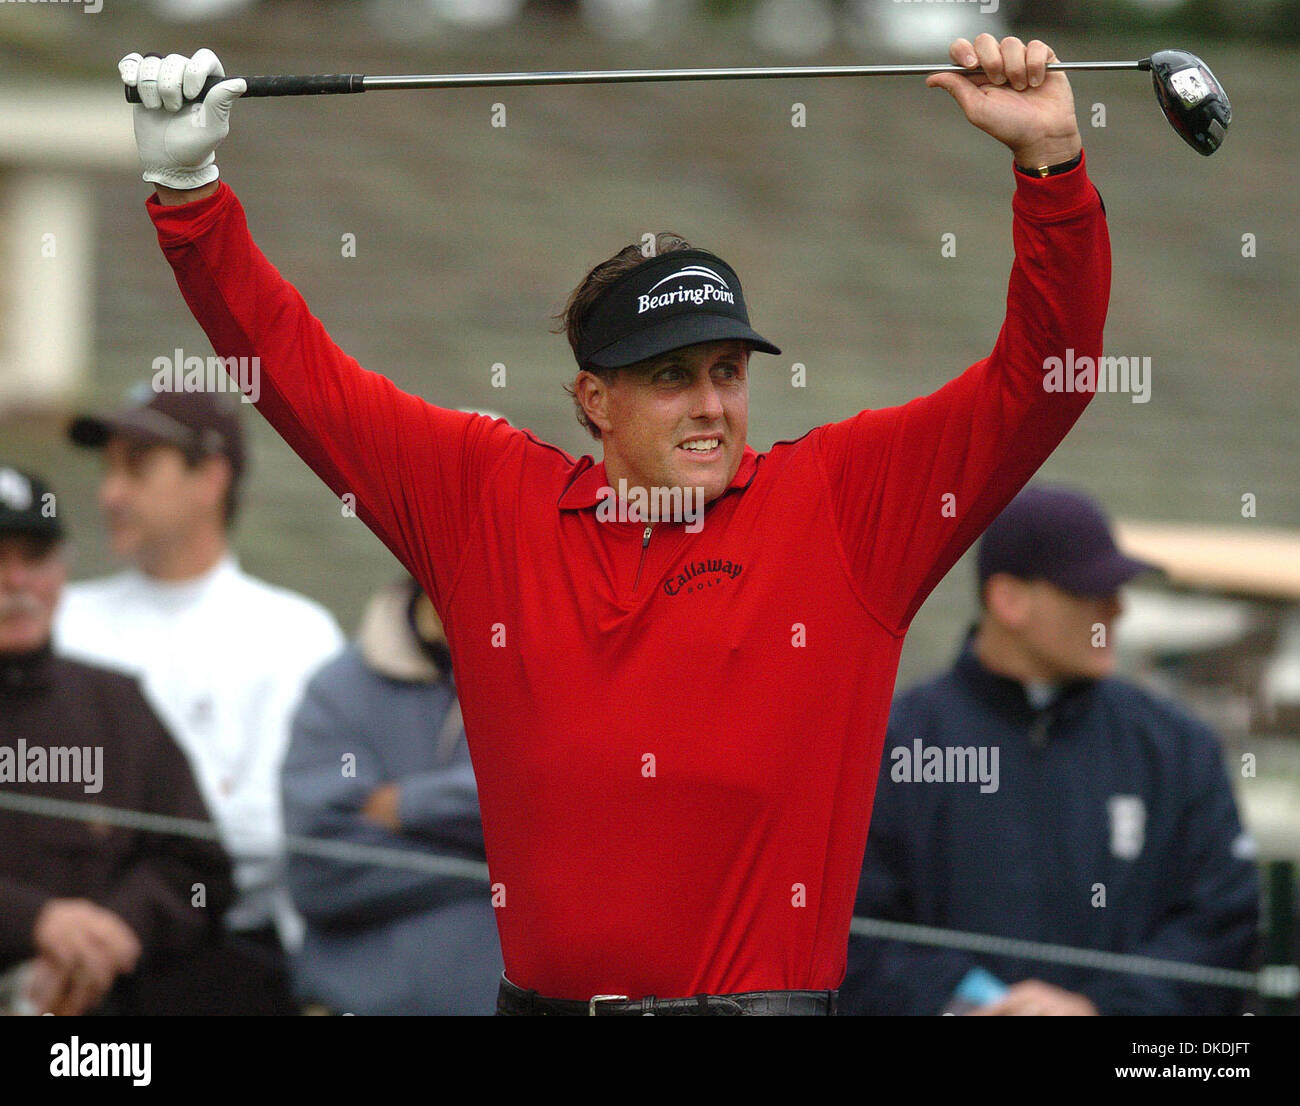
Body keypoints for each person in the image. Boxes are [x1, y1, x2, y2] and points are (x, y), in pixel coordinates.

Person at [122, 34, 1110, 1014]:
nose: (711, 404)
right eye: (671, 376)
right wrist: (191, 197)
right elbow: (300, 376)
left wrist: (1050, 165)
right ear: (595, 400)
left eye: (727, 370)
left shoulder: (841, 505)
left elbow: (1041, 379)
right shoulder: (489, 502)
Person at [840, 486, 1260, 1016]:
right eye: (1088, 593)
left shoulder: (1176, 749)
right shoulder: (892, 745)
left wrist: (1098, 1011)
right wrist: (964, 1001)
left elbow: (1222, 925)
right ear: (1009, 600)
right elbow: (848, 929)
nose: (1117, 610)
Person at [54, 387, 345, 1014]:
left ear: (210, 478)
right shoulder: (64, 621)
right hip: (62, 961)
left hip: (228, 967)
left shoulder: (293, 634)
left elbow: (283, 824)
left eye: (137, 467)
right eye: (108, 469)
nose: (110, 493)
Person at [0, 466, 234, 1016]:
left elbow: (199, 869)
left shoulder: (117, 704)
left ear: (63, 571)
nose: (16, 583)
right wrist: (31, 921)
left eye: (34, 559)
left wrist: (112, 934)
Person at [283, 576, 502, 1015]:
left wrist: (406, 805)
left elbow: (584, 809)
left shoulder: (575, 685)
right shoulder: (339, 689)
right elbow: (317, 874)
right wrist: (502, 866)